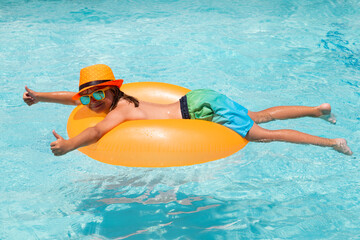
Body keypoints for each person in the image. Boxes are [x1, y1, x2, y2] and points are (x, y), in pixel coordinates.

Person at [23, 64, 353, 156]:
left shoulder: (119, 111)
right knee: (259, 115)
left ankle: (332, 142)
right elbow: (72, 97)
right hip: (197, 99)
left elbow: (95, 132)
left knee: (264, 135)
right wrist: (40, 96)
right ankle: (317, 109)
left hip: (202, 113)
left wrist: (68, 145)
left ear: (111, 91)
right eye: (87, 99)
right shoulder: (119, 98)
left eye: (97, 96)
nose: (91, 103)